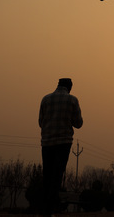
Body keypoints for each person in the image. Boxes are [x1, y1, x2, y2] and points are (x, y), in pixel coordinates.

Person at [39, 77, 83, 214]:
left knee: (47, 175)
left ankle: (44, 209)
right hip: (63, 143)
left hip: (47, 142)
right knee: (57, 176)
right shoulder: (72, 100)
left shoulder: (45, 99)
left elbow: (41, 122)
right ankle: (50, 209)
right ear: (69, 87)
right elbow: (78, 123)